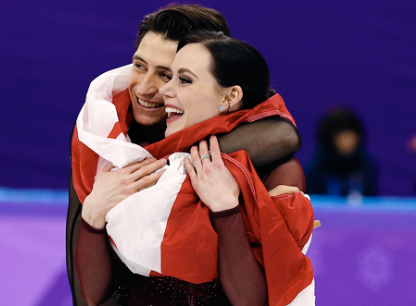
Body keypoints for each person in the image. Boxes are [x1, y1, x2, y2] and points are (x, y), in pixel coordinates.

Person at [68, 4, 307, 305]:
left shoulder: (269, 162)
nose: (150, 88)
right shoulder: (109, 146)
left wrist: (225, 208)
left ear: (228, 93)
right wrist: (93, 213)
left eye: (176, 76)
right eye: (138, 66)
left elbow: (283, 133)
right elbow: (89, 297)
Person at [305, 107, 377, 196]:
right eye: (342, 136)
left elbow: (370, 203)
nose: (348, 141)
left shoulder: (366, 168)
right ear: (330, 139)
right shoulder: (314, 171)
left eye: (351, 135)